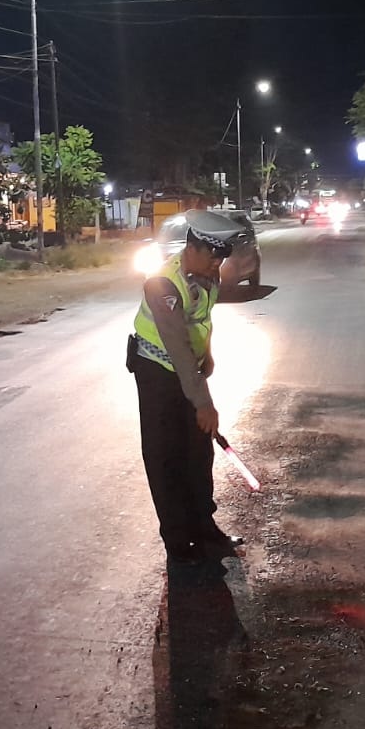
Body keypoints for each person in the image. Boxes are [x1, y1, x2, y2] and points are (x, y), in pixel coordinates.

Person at [129, 209, 246, 565]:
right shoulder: (161, 285)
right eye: (215, 256)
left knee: (199, 451)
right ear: (194, 248)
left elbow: (202, 320)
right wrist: (204, 403)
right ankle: (178, 542)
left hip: (187, 368)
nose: (219, 265)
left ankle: (203, 526)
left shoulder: (206, 276)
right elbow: (177, 348)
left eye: (223, 257)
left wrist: (207, 355)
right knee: (165, 456)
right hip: (156, 371)